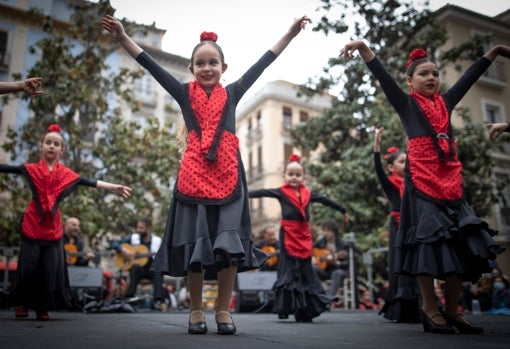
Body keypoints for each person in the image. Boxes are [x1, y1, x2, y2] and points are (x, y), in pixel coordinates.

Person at [101, 14, 310, 335]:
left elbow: (264, 62)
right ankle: (196, 310)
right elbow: (149, 64)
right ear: (191, 69)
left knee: (229, 246)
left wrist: (290, 34)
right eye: (200, 63)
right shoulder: (184, 93)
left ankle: (223, 311)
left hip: (229, 178)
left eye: (213, 62)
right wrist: (122, 37)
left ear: (224, 68)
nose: (207, 68)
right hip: (193, 178)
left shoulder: (235, 91)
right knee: (196, 250)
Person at [341, 41, 509, 334]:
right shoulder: (405, 103)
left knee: (459, 243)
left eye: (435, 73)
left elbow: (470, 75)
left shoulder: (447, 101)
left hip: (452, 182)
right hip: (421, 183)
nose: (431, 78)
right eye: (424, 74)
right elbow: (381, 73)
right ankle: (430, 310)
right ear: (410, 81)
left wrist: (493, 52)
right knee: (428, 244)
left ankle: (453, 311)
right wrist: (362, 47)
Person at [0, 124, 131, 320]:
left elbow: (89, 181)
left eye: (56, 144)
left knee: (49, 271)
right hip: (32, 225)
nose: (52, 146)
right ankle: (21, 304)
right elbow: (7, 168)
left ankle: (42, 308)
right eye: (48, 143)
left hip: (53, 230)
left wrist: (115, 188)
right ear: (41, 147)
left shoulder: (65, 174)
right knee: (27, 269)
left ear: (62, 151)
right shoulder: (31, 169)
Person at [249, 154, 349, 322]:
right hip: (288, 233)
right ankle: (285, 306)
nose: (294, 177)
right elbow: (260, 192)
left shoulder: (308, 194)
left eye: (297, 174)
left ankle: (305, 309)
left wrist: (342, 209)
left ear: (304, 177)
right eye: (290, 174)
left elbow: (326, 200)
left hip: (304, 235)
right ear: (284, 176)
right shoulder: (280, 192)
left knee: (305, 271)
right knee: (288, 270)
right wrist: (240, 194)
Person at [373, 127, 421, 323]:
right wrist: (376, 144)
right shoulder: (390, 183)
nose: (407, 163)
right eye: (402, 161)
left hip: (414, 225)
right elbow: (378, 169)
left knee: (417, 262)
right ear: (391, 168)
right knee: (399, 263)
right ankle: (401, 307)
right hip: (398, 225)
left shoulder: (414, 183)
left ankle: (421, 305)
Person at [109, 216, 166, 310]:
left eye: (141, 228)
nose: (138, 230)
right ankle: (130, 298)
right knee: (135, 267)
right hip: (138, 271)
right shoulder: (133, 238)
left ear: (148, 228)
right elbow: (113, 244)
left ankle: (158, 301)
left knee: (158, 270)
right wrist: (122, 250)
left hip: (151, 269)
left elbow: (165, 253)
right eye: (138, 227)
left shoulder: (158, 241)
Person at [312, 219, 349, 300]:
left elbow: (347, 262)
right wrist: (313, 258)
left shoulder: (343, 244)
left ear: (334, 232)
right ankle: (320, 293)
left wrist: (337, 263)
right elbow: (310, 249)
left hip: (339, 269)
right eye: (324, 231)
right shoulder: (322, 242)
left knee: (336, 273)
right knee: (311, 268)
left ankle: (329, 299)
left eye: (328, 231)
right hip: (326, 270)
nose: (325, 233)